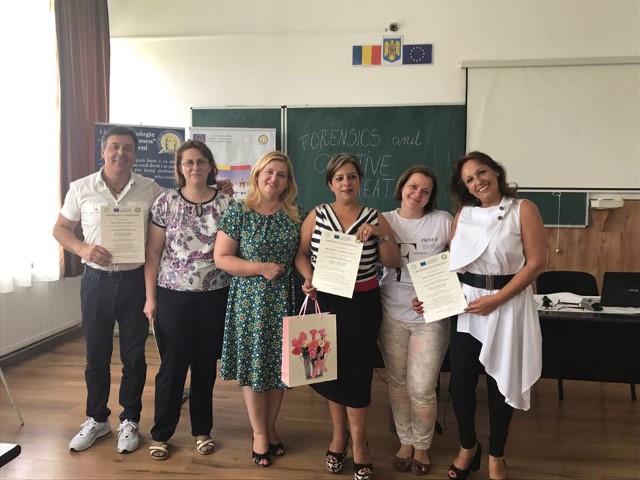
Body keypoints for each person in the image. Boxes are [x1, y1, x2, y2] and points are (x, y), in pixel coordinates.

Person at [415, 151, 546, 480]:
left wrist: (497, 299)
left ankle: (496, 455)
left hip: (508, 303)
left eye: (482, 172)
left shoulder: (522, 209)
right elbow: (451, 263)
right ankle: (468, 447)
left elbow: (536, 263)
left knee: (500, 385)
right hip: (467, 305)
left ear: (496, 172)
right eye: (469, 180)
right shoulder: (464, 214)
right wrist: (430, 295)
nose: (478, 182)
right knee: (460, 383)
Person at [53, 126, 164, 454]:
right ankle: (97, 419)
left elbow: (172, 219)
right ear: (102, 151)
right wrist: (83, 249)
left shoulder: (151, 190)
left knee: (134, 355)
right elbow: (60, 229)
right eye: (114, 147)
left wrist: (217, 187)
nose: (120, 153)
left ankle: (130, 419)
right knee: (96, 355)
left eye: (127, 147)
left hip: (135, 282)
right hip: (96, 282)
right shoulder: (81, 188)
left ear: (135, 153)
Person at [295, 153, 400, 480]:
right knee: (328, 371)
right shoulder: (317, 215)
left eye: (352, 176)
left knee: (356, 372)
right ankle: (338, 437)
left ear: (360, 181)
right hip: (325, 300)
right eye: (339, 178)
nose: (346, 183)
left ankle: (360, 444)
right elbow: (301, 254)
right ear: (330, 183)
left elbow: (393, 261)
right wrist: (308, 277)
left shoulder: (374, 216)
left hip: (362, 304)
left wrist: (379, 234)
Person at [214, 151, 306, 468]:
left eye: (281, 174)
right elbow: (222, 258)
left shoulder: (298, 214)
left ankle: (270, 426)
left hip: (284, 300)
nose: (274, 178)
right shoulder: (239, 211)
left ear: (287, 182)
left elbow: (301, 256)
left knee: (280, 369)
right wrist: (261, 268)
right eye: (269, 172)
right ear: (257, 175)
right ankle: (259, 433)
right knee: (254, 367)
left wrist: (309, 278)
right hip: (249, 303)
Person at [144, 140, 233, 460]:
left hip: (215, 295)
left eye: (201, 161)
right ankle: (161, 433)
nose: (195, 167)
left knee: (206, 366)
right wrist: (150, 298)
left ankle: (202, 430)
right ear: (180, 168)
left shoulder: (226, 203)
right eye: (188, 162)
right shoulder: (165, 202)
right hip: (173, 295)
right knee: (172, 366)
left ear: (210, 166)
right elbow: (153, 253)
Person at [378, 165, 452, 476]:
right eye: (413, 186)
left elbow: (458, 264)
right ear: (402, 186)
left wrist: (435, 296)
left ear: (431, 196)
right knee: (397, 384)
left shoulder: (443, 221)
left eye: (425, 190)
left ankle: (422, 446)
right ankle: (405, 442)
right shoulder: (383, 220)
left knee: (422, 387)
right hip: (391, 314)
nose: (417, 194)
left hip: (430, 318)